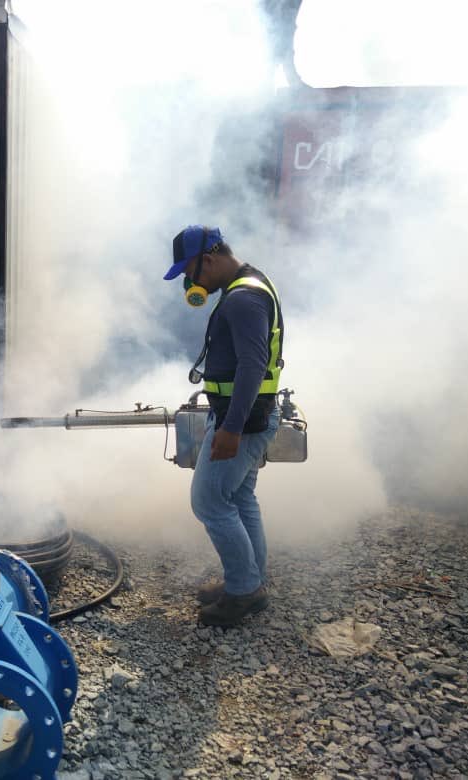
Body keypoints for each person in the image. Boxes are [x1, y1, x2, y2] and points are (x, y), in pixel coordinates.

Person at [163, 225, 284, 627]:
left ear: (209, 260)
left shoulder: (243, 299)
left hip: (242, 420)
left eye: (190, 272)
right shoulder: (249, 284)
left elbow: (252, 365)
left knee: (209, 501)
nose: (190, 282)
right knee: (240, 498)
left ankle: (244, 591)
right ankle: (249, 579)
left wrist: (231, 428)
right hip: (248, 414)